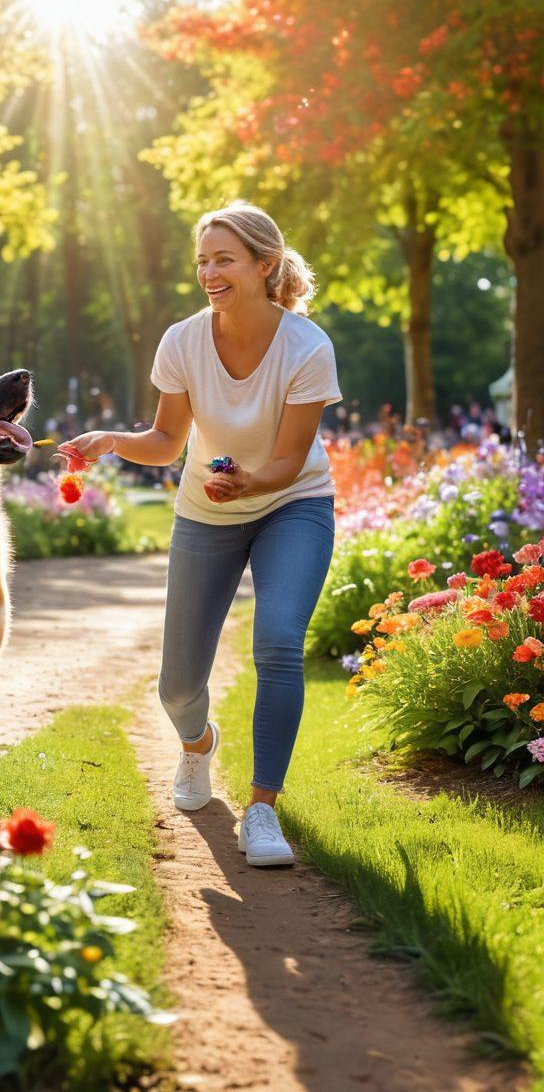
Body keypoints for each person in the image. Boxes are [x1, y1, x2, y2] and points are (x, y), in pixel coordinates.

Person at [59, 201, 341, 866]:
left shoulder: (307, 347)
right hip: (206, 511)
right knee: (176, 688)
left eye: (224, 260)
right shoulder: (183, 340)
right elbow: (165, 441)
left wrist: (253, 481)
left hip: (293, 504)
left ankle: (263, 811)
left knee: (277, 641)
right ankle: (197, 746)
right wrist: (110, 441)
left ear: (264, 266)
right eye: (202, 261)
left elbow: (290, 460)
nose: (209, 272)